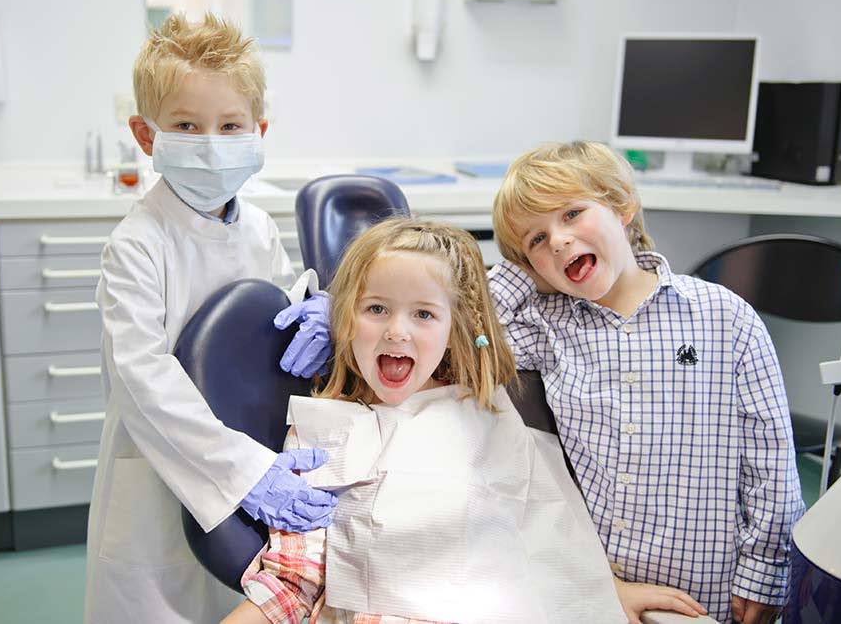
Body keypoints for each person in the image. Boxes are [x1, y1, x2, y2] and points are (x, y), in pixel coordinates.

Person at [224, 218, 632, 624]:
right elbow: (293, 582)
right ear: (344, 318)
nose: (397, 331)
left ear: (454, 328)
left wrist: (610, 591)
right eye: (376, 308)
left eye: (423, 313)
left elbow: (550, 547)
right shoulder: (323, 431)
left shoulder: (484, 414)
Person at [487, 141, 806, 624]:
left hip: (709, 596)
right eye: (537, 239)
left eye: (572, 214)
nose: (557, 240)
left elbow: (771, 460)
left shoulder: (724, 317)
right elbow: (467, 331)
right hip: (596, 590)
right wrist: (525, 272)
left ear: (623, 206)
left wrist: (764, 570)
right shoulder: (546, 327)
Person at [84, 13, 335, 624]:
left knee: (243, 601)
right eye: (186, 126)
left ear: (259, 131)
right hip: (163, 465)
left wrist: (316, 310)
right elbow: (143, 383)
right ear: (146, 135)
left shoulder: (258, 227)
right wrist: (245, 473)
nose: (211, 143)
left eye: (229, 126)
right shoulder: (138, 244)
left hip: (252, 446)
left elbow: (272, 311)